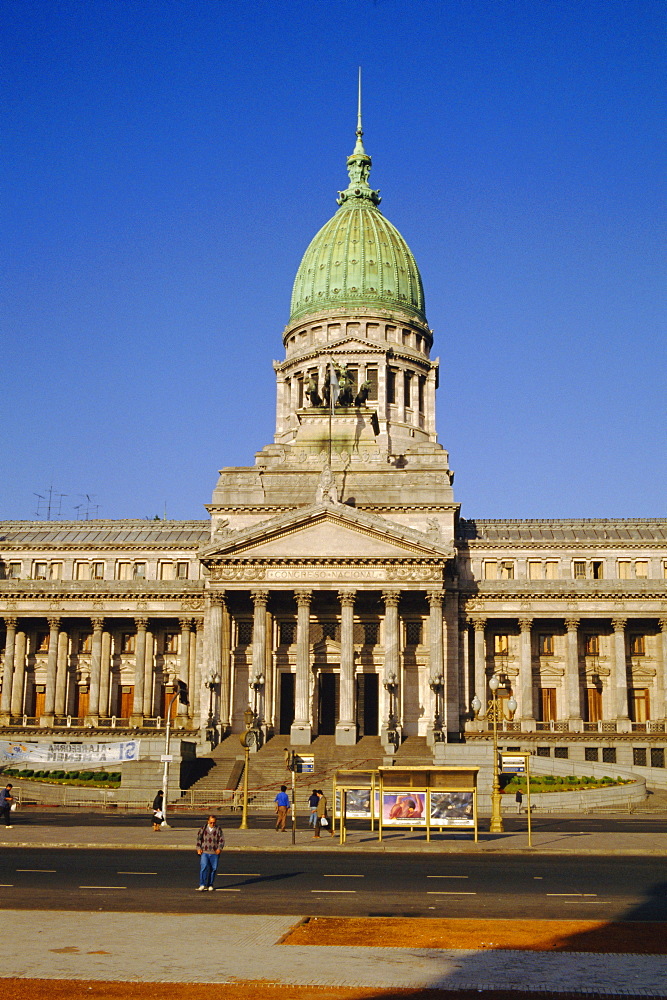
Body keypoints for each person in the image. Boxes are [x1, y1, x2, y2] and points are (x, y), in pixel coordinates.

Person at [196, 814, 225, 891]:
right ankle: (202, 884)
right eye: (211, 822)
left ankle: (210, 884)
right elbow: (199, 839)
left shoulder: (218, 829)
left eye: (214, 823)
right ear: (208, 821)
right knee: (204, 867)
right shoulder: (203, 829)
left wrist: (219, 848)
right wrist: (198, 848)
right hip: (204, 852)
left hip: (214, 852)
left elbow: (221, 840)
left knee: (213, 869)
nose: (212, 824)